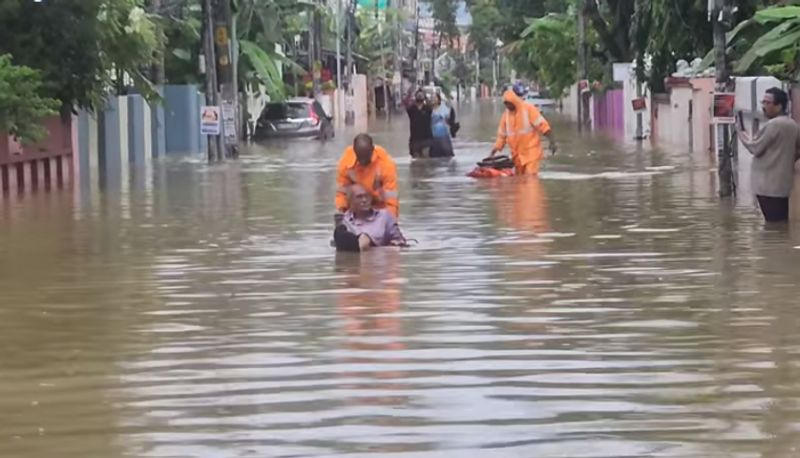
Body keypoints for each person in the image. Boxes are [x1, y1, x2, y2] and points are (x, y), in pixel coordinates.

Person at [737, 87, 800, 223]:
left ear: (779, 106)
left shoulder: (773, 125)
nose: (764, 106)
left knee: (773, 225)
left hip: (767, 186)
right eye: (763, 102)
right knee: (780, 222)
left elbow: (755, 148)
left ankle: (779, 243)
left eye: (768, 103)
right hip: (783, 184)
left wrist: (742, 135)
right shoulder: (793, 124)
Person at [490, 89, 558, 175]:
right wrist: (495, 149)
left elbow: (543, 126)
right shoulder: (506, 116)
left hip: (531, 153)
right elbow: (501, 136)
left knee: (530, 180)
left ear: (514, 101)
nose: (508, 107)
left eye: (509, 104)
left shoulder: (528, 109)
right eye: (506, 104)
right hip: (517, 157)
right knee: (520, 182)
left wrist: (552, 142)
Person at [335, 134, 399, 224]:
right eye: (360, 158)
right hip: (355, 209)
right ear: (355, 152)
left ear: (372, 150)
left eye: (366, 158)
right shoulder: (346, 163)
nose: (363, 162)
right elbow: (342, 192)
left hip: (379, 207)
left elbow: (391, 199)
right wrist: (341, 211)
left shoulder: (386, 164)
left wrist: (391, 221)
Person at [334, 184, 407, 252]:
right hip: (355, 256)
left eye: (367, 196)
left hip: (379, 258)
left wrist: (392, 246)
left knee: (364, 238)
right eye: (359, 197)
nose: (364, 200)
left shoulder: (384, 216)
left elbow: (401, 242)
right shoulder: (344, 221)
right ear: (350, 201)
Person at [405, 91, 434, 158]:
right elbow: (406, 103)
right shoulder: (412, 109)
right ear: (415, 97)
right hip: (415, 139)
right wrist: (409, 94)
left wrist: (426, 97)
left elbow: (431, 104)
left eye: (421, 95)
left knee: (426, 156)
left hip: (426, 138)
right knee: (416, 160)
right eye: (418, 95)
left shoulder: (427, 109)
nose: (420, 96)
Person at [429, 93, 456, 158]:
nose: (433, 99)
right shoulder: (428, 109)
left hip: (444, 135)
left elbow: (449, 119)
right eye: (431, 97)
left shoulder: (443, 108)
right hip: (433, 136)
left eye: (434, 97)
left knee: (447, 154)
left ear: (438, 99)